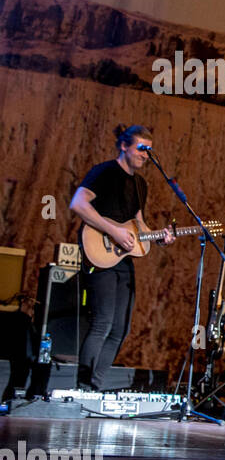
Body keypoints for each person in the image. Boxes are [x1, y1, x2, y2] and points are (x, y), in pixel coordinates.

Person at [69, 124, 174, 391]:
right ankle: (81, 386)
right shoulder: (104, 172)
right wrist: (113, 230)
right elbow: (78, 204)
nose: (144, 154)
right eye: (141, 148)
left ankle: (95, 386)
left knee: (120, 329)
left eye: (148, 150)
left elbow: (138, 225)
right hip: (99, 253)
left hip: (122, 260)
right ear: (124, 146)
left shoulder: (140, 185)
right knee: (102, 322)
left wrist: (159, 237)